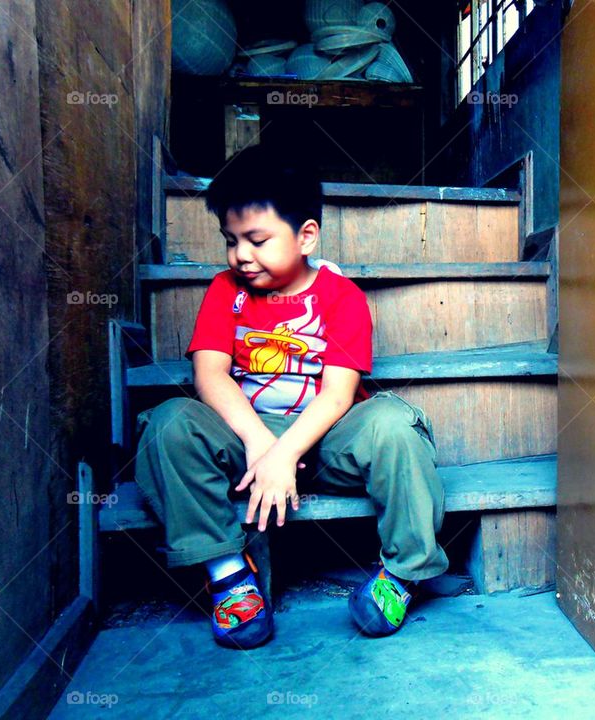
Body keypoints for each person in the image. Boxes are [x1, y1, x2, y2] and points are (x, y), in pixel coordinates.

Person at [133, 145, 448, 649]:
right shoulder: (225, 290)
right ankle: (231, 574)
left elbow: (338, 393)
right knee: (169, 425)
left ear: (305, 236)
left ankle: (404, 574)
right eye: (230, 241)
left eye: (257, 240)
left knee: (393, 423)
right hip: (248, 437)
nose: (241, 255)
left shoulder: (340, 296)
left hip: (325, 440)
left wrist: (287, 452)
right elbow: (210, 376)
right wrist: (262, 444)